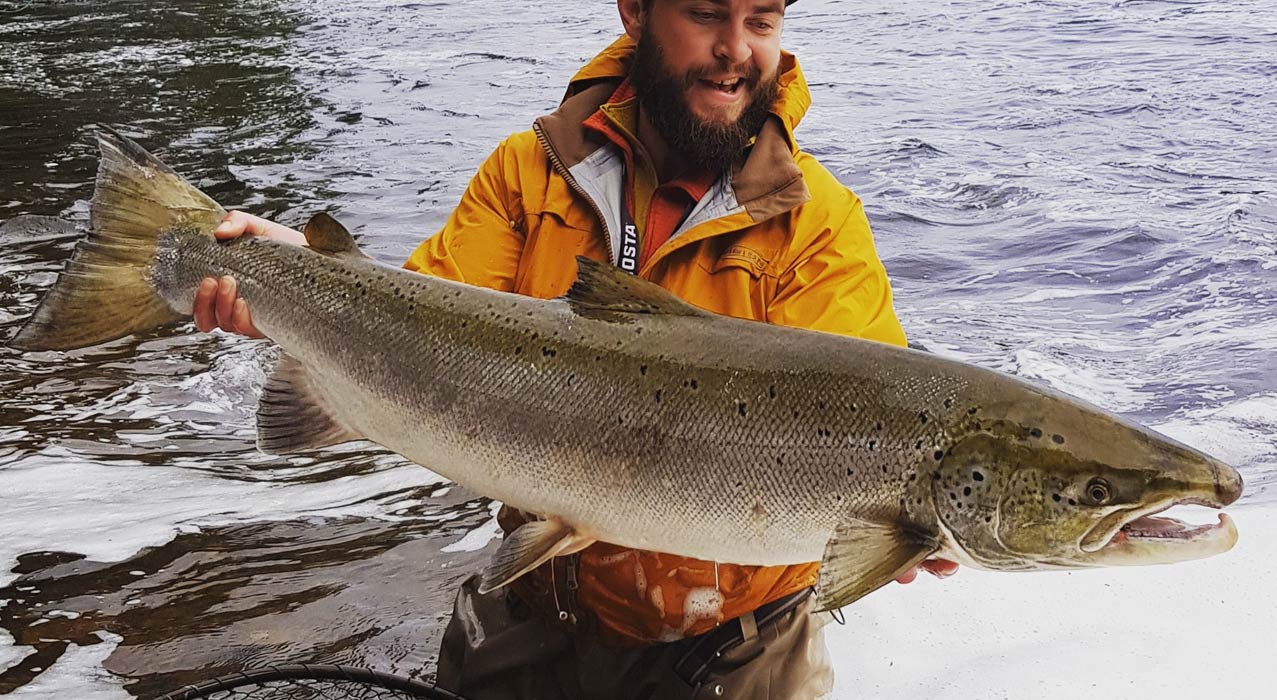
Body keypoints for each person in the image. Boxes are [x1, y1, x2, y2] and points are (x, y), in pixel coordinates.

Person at [196, 1, 958, 697]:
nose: (736, 50)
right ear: (636, 13)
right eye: (706, 15)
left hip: (736, 648)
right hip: (537, 605)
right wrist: (301, 274)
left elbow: (874, 404)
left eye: (762, 21)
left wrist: (898, 533)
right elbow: (421, 317)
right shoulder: (529, 173)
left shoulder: (818, 222)